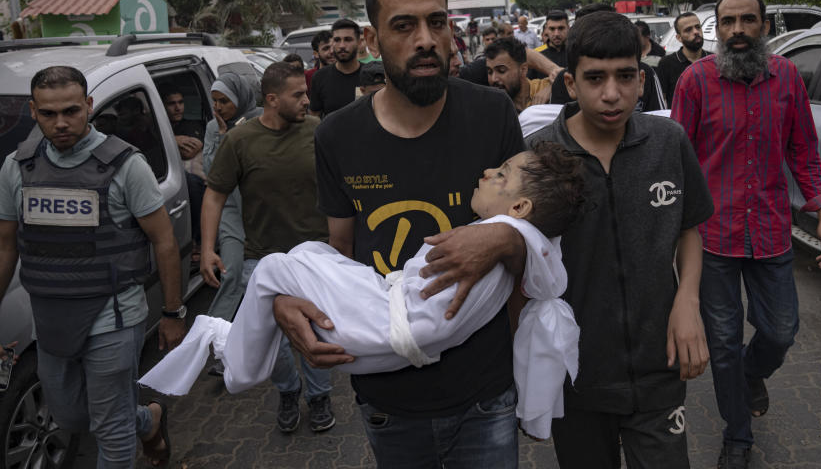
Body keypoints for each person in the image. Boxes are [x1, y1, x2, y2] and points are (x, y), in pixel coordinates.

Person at [140, 143, 585, 441]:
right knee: (309, 255)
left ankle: (235, 358)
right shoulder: (528, 249)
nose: (488, 171)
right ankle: (236, 347)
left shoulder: (502, 237)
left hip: (385, 330)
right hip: (392, 329)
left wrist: (504, 233)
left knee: (276, 265)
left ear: (520, 208)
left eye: (502, 174)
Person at [274, 0, 532, 468]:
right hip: (387, 398)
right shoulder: (337, 136)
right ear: (372, 40)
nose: (425, 39)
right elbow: (339, 253)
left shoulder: (491, 112)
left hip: (485, 391)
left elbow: (532, 234)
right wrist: (288, 300)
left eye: (436, 22)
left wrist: (503, 242)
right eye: (404, 25)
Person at [526, 11, 715, 469]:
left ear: (642, 76)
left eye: (625, 76)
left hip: (659, 365)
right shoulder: (538, 159)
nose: (612, 93)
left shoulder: (668, 142)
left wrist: (688, 301)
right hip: (576, 375)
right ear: (570, 84)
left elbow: (689, 227)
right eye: (595, 78)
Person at [0, 66, 185, 467]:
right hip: (51, 317)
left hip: (114, 315)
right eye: (49, 114)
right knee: (71, 416)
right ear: (33, 111)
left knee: (111, 430)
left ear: (89, 106)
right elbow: (2, 246)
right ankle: (148, 419)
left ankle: (130, 425)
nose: (61, 123)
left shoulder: (125, 165)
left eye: (71, 111)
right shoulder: (18, 167)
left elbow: (164, 241)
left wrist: (173, 312)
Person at [671, 0, 821, 469]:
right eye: (728, 22)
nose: (737, 30)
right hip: (713, 236)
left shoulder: (787, 78)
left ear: (764, 26)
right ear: (716, 29)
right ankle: (737, 435)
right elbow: (678, 162)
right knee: (721, 343)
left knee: (781, 330)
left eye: (748, 20)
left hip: (770, 230)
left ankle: (752, 372)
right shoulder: (694, 82)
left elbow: (803, 149)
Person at [200, 62, 335, 433]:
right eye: (298, 95)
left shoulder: (317, 131)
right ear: (272, 100)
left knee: (315, 330)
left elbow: (341, 188)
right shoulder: (240, 141)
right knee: (271, 339)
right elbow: (214, 195)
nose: (307, 100)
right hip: (260, 258)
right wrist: (209, 249)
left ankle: (320, 396)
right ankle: (288, 390)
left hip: (314, 255)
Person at [200, 72, 262, 364]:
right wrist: (223, 137)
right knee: (232, 272)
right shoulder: (214, 127)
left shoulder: (260, 120)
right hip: (230, 211)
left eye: (224, 101)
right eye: (214, 101)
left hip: (260, 208)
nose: (219, 108)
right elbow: (213, 172)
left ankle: (261, 339)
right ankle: (215, 343)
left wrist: (232, 138)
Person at [158, 83, 206, 260]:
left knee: (193, 184)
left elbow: (189, 151)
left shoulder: (192, 125)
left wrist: (166, 142)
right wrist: (173, 141)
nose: (178, 107)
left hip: (191, 179)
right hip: (165, 178)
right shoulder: (156, 128)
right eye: (171, 103)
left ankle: (198, 240)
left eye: (180, 102)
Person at [309, 18, 363, 118]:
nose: (342, 45)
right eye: (337, 40)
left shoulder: (370, 75)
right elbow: (314, 118)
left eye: (348, 39)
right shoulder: (320, 77)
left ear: (359, 43)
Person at [655, 12, 710, 105]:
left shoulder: (713, 60)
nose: (696, 32)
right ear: (679, 38)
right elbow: (661, 99)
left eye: (698, 27)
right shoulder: (666, 64)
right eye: (688, 30)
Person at [486, 37, 551, 112]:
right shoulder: (492, 108)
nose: (493, 78)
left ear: (523, 70)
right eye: (489, 72)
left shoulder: (544, 87)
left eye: (501, 70)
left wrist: (552, 87)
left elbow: (564, 75)